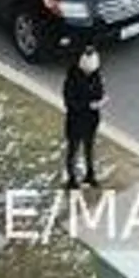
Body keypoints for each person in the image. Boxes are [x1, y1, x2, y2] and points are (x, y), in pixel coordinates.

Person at [61, 45, 107, 188]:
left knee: (89, 148)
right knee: (73, 150)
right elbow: (69, 102)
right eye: (87, 71)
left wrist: (100, 100)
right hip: (75, 121)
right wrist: (89, 105)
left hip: (91, 120)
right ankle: (72, 179)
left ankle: (90, 175)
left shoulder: (96, 75)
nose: (89, 73)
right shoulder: (72, 78)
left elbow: (99, 91)